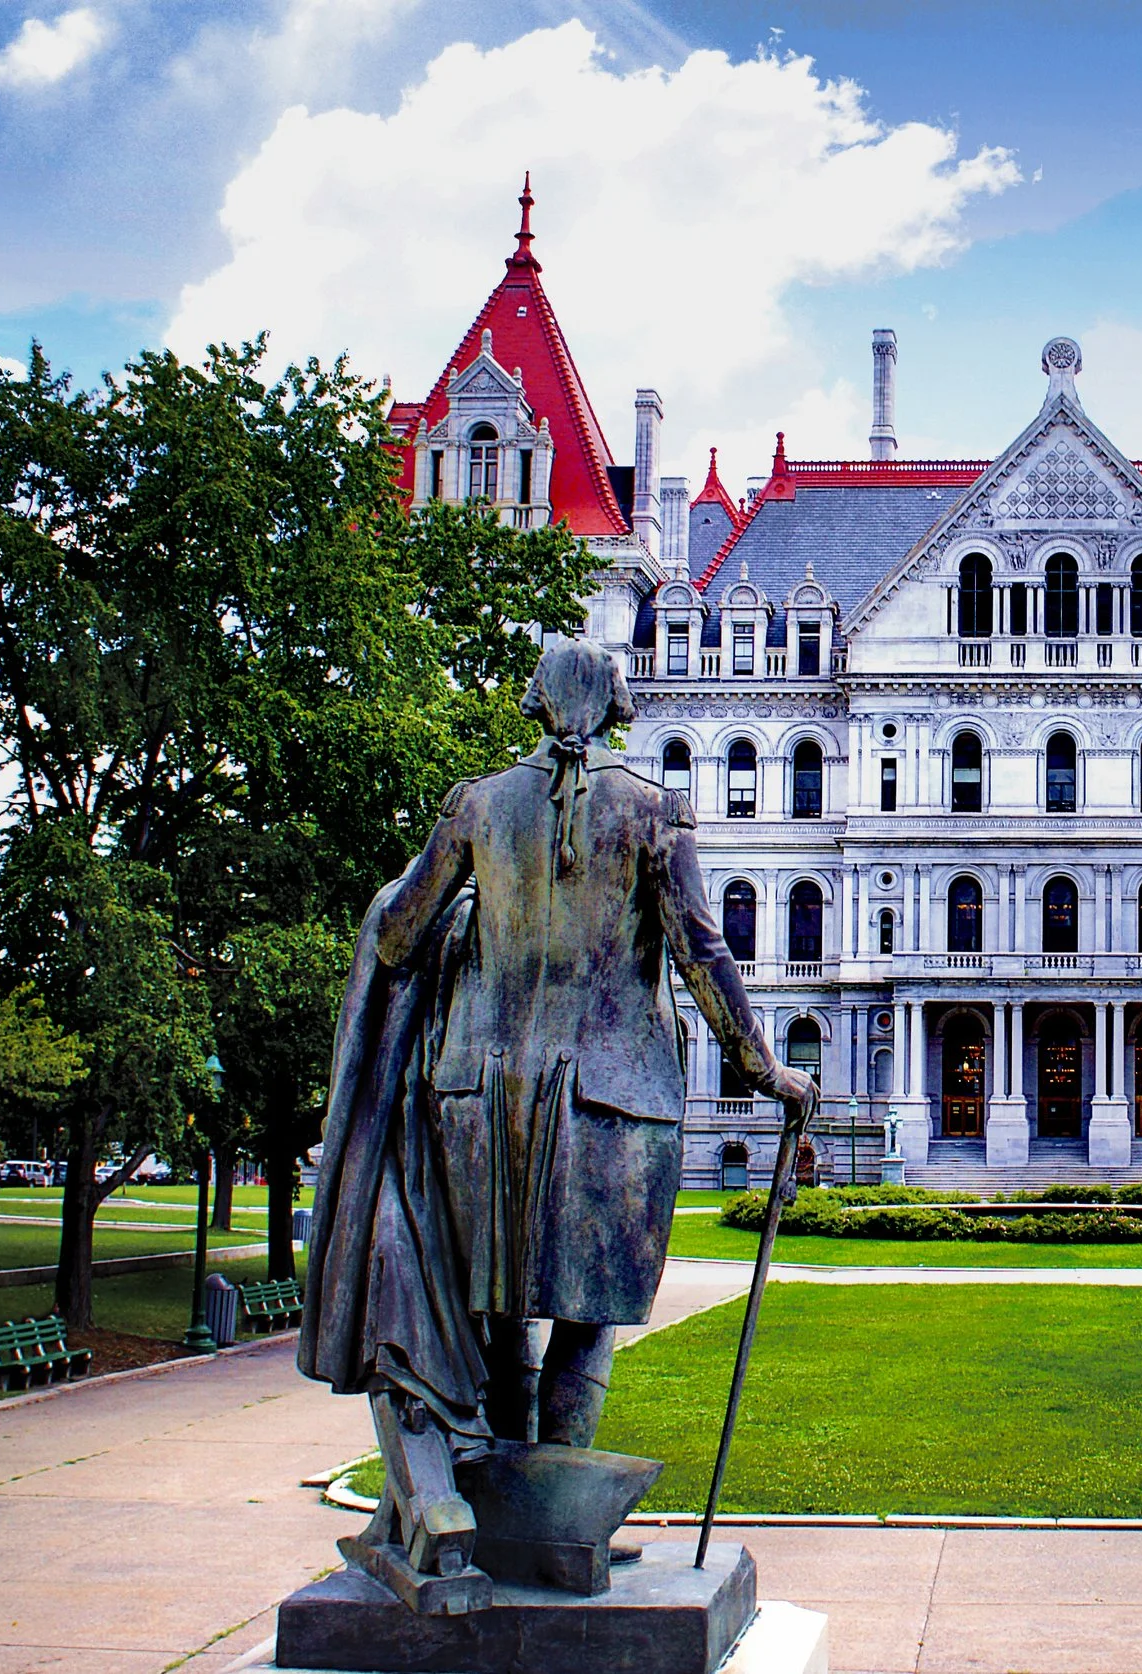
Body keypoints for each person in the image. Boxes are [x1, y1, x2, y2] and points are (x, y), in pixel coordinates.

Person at [300, 636, 814, 1592]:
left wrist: (473, 915)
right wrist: (764, 1067)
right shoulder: (654, 812)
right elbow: (702, 955)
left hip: (479, 1093)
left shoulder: (477, 804)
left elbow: (399, 934)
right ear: (616, 704)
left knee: (499, 1316)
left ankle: (511, 1528)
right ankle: (560, 1529)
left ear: (538, 702)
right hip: (614, 1100)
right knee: (587, 1319)